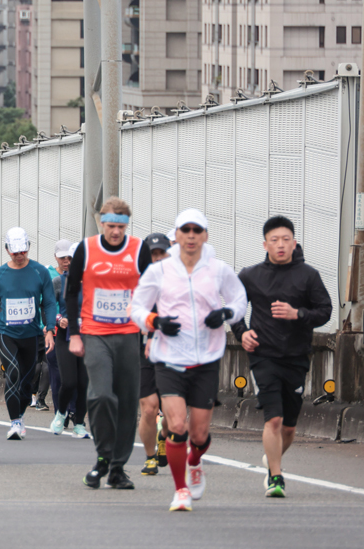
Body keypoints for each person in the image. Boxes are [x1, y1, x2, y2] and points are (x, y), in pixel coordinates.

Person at [131, 208, 247, 511]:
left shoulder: (218, 269)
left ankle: (195, 460)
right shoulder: (159, 271)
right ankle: (180, 489)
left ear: (205, 235)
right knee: (177, 425)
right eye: (186, 230)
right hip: (168, 358)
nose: (192, 236)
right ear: (177, 236)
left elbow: (239, 299)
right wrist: (155, 322)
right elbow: (137, 308)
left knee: (199, 433)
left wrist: (226, 314)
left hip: (206, 358)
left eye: (197, 230)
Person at [232, 215, 332, 498]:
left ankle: (272, 456)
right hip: (263, 356)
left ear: (294, 243)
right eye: (274, 240)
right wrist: (241, 333)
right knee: (273, 420)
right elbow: (235, 309)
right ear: (265, 244)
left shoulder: (308, 275)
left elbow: (325, 311)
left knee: (288, 426)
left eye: (285, 240)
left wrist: (297, 314)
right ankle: (275, 477)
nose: (280, 245)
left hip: (297, 356)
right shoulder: (249, 275)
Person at [67, 197, 153, 490]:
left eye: (120, 226)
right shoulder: (87, 249)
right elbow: (70, 291)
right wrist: (74, 334)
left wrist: (151, 332)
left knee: (128, 401)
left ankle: (117, 468)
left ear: (127, 226)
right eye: (110, 226)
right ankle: (103, 456)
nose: (115, 232)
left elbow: (151, 291)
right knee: (102, 395)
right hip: (95, 333)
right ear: (100, 223)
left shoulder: (139, 249)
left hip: (130, 333)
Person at [0, 227, 57, 440]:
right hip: (6, 332)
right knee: (12, 373)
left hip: (32, 334)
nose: (19, 255)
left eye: (22, 251)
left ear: (28, 248)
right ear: (7, 250)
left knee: (25, 384)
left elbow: (50, 302)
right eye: (15, 252)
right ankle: (14, 422)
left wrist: (50, 329)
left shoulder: (40, 272)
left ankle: (20, 414)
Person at [136, 232, 172, 474]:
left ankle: (164, 437)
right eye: (152, 254)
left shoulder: (182, 280)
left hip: (175, 351)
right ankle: (150, 456)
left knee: (172, 411)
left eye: (162, 253)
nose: (157, 259)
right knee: (149, 407)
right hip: (143, 349)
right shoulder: (137, 282)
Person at [48, 239, 90, 437]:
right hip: (66, 336)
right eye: (65, 258)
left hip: (89, 337)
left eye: (73, 258)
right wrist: (58, 320)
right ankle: (61, 412)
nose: (70, 262)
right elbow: (48, 307)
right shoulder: (58, 281)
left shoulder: (94, 282)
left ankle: (80, 423)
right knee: (70, 381)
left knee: (84, 383)